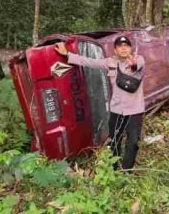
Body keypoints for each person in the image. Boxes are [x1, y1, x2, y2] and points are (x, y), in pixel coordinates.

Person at [54, 36, 145, 170]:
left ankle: (127, 171)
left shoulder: (138, 59)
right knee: (114, 141)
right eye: (120, 46)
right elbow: (89, 62)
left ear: (130, 48)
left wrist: (133, 64)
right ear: (115, 50)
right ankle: (114, 168)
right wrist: (67, 54)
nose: (124, 48)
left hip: (134, 110)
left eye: (126, 46)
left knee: (133, 142)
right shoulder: (110, 62)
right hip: (117, 110)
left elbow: (137, 65)